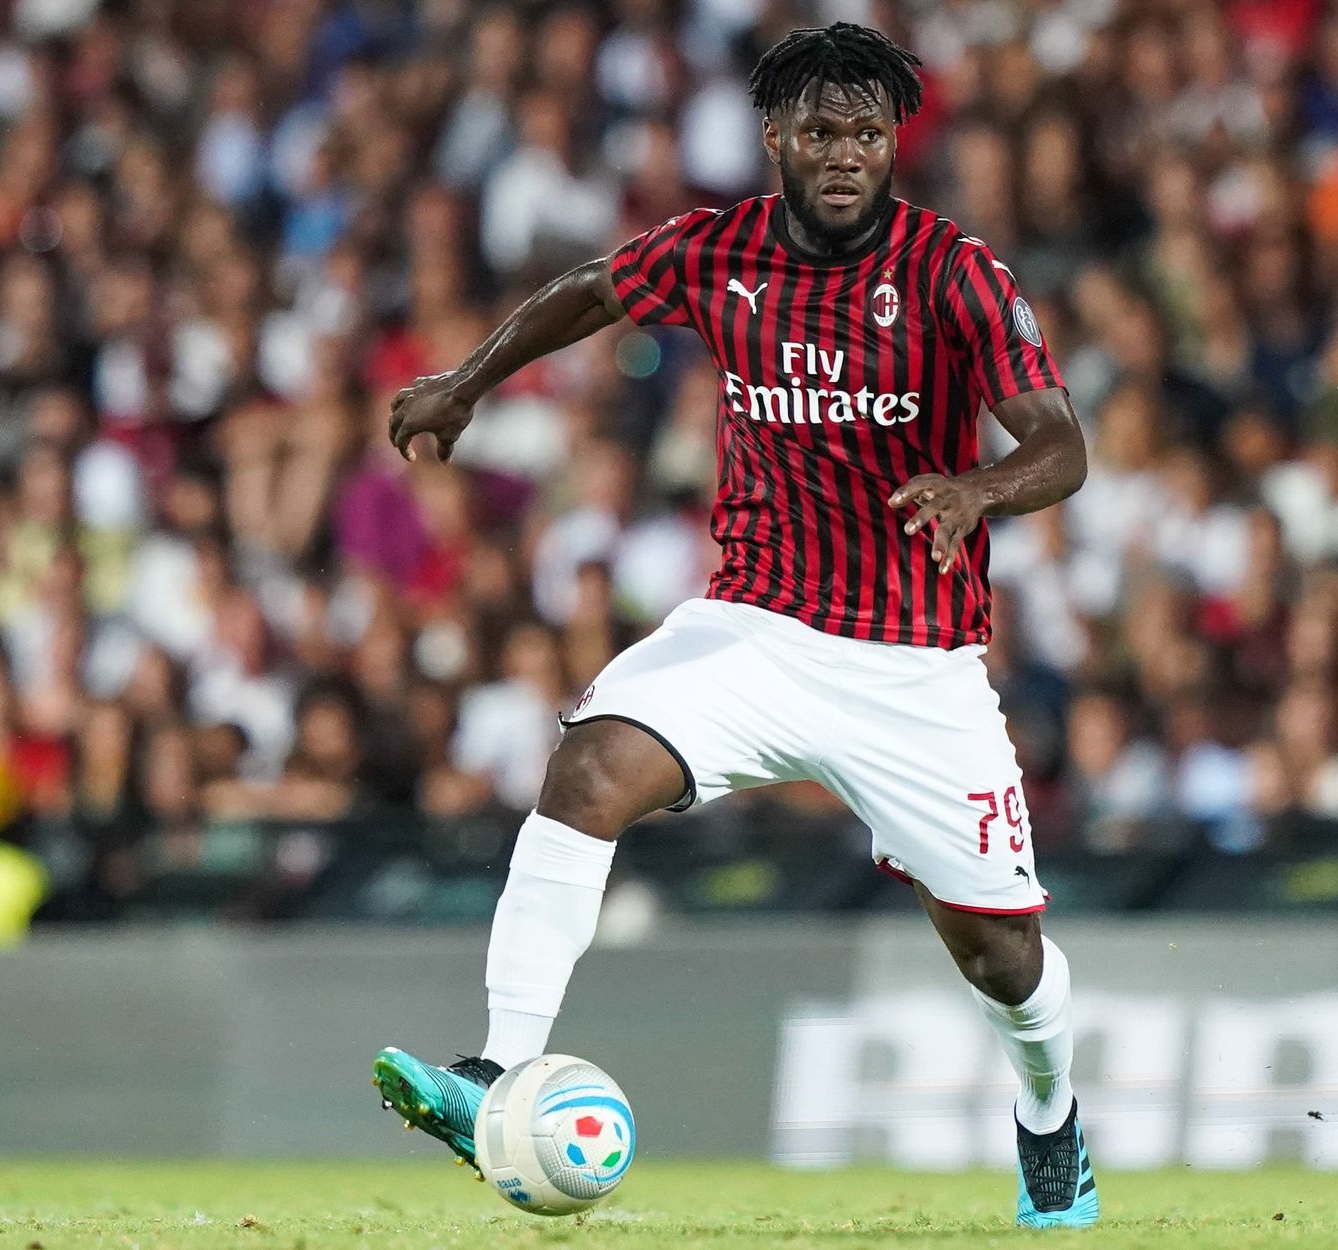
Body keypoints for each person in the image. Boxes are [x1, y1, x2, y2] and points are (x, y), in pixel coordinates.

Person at [371, 24, 1095, 1229]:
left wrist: (979, 487)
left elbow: (1062, 444)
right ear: (777, 138)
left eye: (868, 132)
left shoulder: (952, 273)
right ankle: (493, 1076)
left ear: (892, 141)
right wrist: (468, 381)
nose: (847, 153)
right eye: (822, 131)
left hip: (914, 665)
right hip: (754, 626)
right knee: (590, 765)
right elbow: (590, 292)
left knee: (1001, 963)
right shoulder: (719, 251)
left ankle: (1050, 1119)